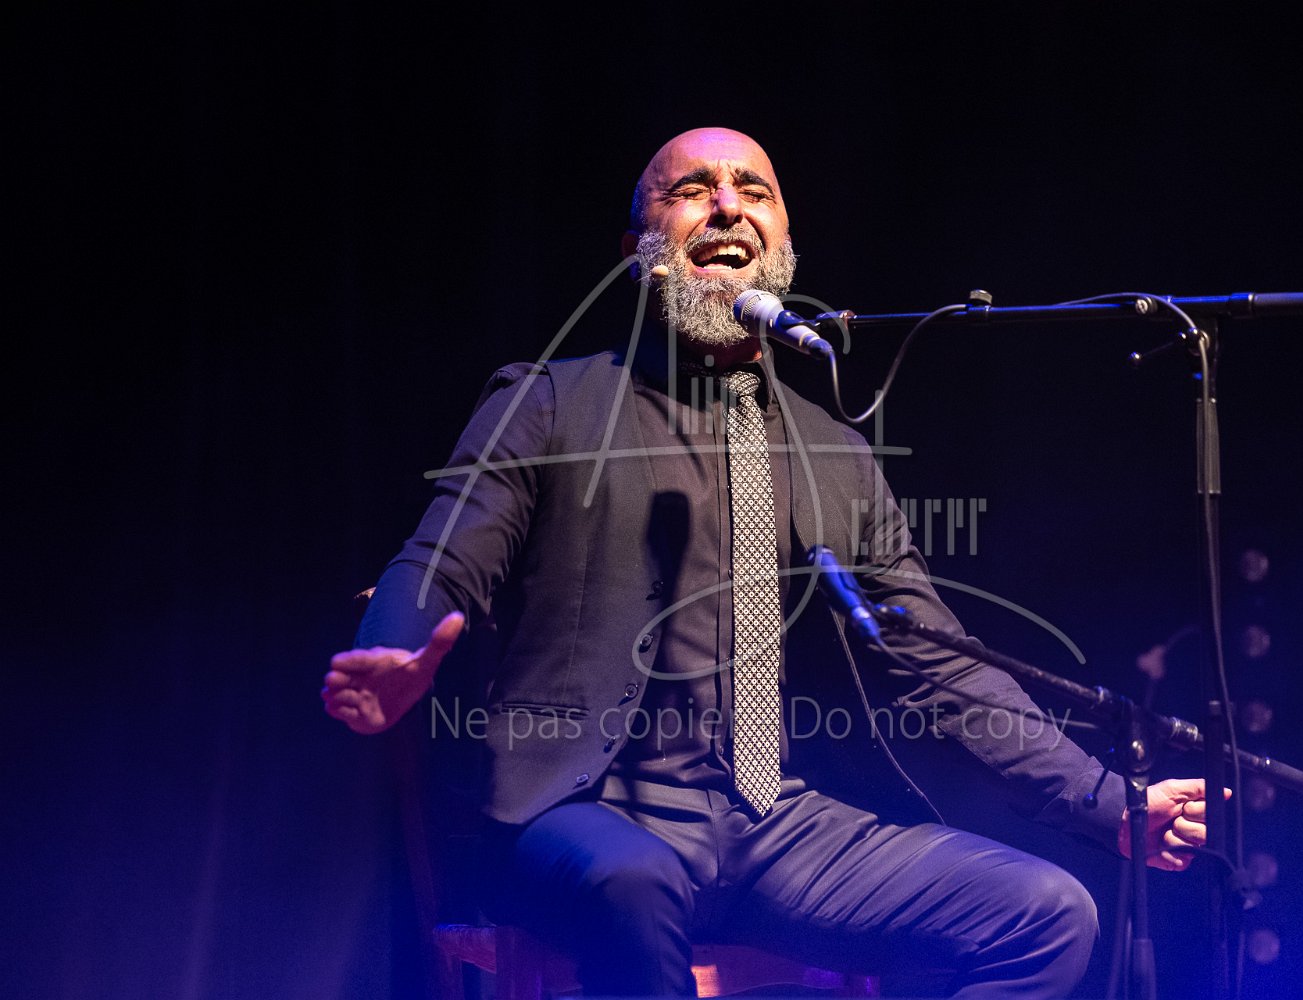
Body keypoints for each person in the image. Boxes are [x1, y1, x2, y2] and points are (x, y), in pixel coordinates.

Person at [323, 127, 1214, 998]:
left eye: (754, 192)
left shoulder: (831, 450)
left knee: (1045, 913)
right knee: (635, 881)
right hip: (580, 816)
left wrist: (1104, 799)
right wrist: (389, 649)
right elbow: (439, 562)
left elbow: (937, 661)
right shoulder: (552, 402)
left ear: (784, 246)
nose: (727, 207)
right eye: (691, 191)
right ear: (637, 253)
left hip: (770, 830)